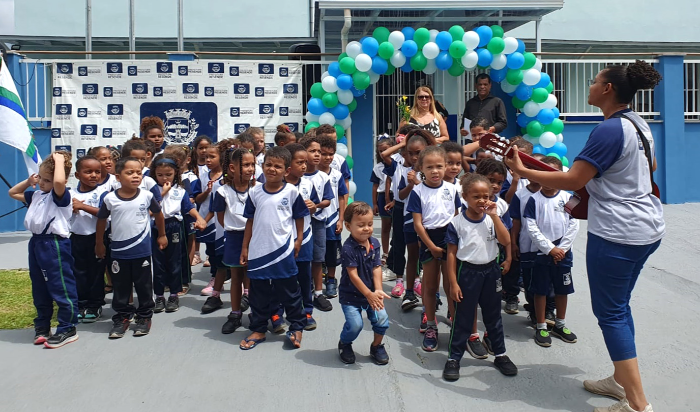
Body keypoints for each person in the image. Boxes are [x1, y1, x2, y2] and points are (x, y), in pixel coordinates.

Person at [505, 60, 664, 412]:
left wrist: (521, 169)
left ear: (607, 89)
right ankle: (621, 379)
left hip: (619, 232)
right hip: (648, 226)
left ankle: (636, 404)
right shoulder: (639, 124)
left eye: (594, 81)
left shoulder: (607, 130)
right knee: (619, 307)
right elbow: (647, 168)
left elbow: (575, 179)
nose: (589, 86)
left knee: (610, 313)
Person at [443, 174, 518, 381]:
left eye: (486, 196)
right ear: (465, 196)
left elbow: (505, 240)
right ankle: (454, 358)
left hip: (491, 272)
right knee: (463, 318)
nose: (482, 201)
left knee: (493, 316)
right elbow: (450, 254)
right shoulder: (457, 222)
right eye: (476, 196)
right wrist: (453, 283)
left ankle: (500, 354)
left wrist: (494, 216)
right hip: (467, 273)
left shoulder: (494, 219)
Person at [239, 146, 309, 350]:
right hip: (259, 251)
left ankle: (296, 326)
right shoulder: (254, 192)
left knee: (289, 291)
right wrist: (245, 247)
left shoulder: (291, 192)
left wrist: (298, 241)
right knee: (258, 293)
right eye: (268, 165)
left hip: (282, 252)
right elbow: (250, 222)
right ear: (262, 166)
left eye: (278, 166)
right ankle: (259, 329)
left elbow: (299, 218)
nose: (272, 169)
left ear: (286, 171)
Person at [9, 151, 79, 349]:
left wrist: (58, 162)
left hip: (54, 244)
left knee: (60, 285)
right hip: (37, 243)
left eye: (47, 180)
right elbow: (13, 193)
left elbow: (58, 184)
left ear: (61, 179)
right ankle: (42, 325)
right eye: (40, 178)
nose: (42, 183)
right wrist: (28, 180)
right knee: (39, 286)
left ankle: (67, 327)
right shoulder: (37, 195)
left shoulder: (61, 196)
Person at [96, 156, 167, 339]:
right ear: (118, 177)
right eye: (130, 173)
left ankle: (144, 317)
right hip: (119, 253)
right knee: (121, 287)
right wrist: (99, 243)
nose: (136, 176)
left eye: (138, 172)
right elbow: (101, 220)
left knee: (143, 286)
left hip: (141, 251)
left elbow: (159, 215)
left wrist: (162, 234)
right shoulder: (109, 198)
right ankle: (122, 317)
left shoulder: (147, 195)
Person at [407, 146, 462, 352]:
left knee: (451, 286)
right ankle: (431, 325)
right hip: (429, 240)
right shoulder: (417, 192)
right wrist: (430, 246)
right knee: (430, 287)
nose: (435, 171)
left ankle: (456, 325)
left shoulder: (452, 189)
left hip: (451, 239)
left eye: (439, 166)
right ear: (421, 168)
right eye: (429, 167)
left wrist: (454, 243)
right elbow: (418, 224)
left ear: (446, 166)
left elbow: (457, 216)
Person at [523, 156, 580, 347]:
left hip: (563, 254)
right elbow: (531, 228)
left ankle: (560, 324)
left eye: (552, 175)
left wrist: (562, 249)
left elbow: (574, 224)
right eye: (543, 174)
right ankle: (541, 325)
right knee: (541, 291)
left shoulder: (568, 198)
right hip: (542, 254)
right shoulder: (534, 200)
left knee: (562, 290)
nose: (547, 179)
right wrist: (549, 248)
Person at [151, 155, 206, 313]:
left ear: (175, 173)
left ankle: (174, 295)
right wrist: (162, 193)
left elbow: (189, 207)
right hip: (156, 226)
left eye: (168, 174)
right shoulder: (150, 190)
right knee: (158, 263)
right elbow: (149, 209)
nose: (164, 178)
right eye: (160, 175)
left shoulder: (180, 191)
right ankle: (159, 296)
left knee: (174, 261)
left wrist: (199, 218)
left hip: (174, 226)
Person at [337, 201, 391, 365]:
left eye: (369, 224)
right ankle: (345, 343)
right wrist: (368, 294)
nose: (366, 228)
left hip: (372, 294)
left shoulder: (374, 243)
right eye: (361, 225)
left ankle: (376, 346)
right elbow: (353, 275)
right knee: (355, 325)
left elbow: (376, 268)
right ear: (348, 226)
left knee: (382, 319)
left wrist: (378, 290)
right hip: (351, 295)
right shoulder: (348, 249)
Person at [211, 144, 258, 334]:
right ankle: (236, 313)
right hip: (234, 237)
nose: (251, 169)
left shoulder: (258, 189)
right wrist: (236, 228)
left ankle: (257, 313)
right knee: (237, 276)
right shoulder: (223, 191)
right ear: (232, 168)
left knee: (255, 277)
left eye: (252, 164)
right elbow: (221, 217)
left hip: (256, 238)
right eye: (246, 165)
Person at [507, 153, 555, 325]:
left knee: (550, 280)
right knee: (529, 279)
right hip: (528, 245)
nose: (535, 173)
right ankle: (535, 311)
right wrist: (514, 243)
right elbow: (516, 221)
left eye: (540, 169)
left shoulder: (555, 194)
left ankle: (549, 311)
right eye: (531, 169)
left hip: (550, 247)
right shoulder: (521, 195)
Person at [283, 143, 321, 330]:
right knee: (283, 276)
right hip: (281, 239)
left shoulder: (308, 183)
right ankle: (280, 310)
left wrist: (314, 207)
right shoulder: (278, 185)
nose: (305, 166)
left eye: (305, 162)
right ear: (288, 164)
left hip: (304, 237)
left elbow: (314, 205)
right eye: (300, 162)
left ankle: (307, 311)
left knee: (305, 276)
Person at [69, 155, 109, 323]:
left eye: (97, 172)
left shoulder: (103, 192)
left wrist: (82, 206)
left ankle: (95, 304)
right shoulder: (70, 193)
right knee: (78, 272)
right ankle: (80, 304)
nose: (94, 175)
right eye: (88, 172)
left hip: (97, 238)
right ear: (77, 175)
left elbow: (104, 213)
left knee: (95, 273)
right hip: (76, 238)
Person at [199, 140, 236, 310]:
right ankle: (215, 295)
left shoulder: (254, 188)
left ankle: (246, 293)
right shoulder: (220, 189)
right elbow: (214, 210)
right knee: (221, 264)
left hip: (244, 234)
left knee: (241, 267)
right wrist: (204, 221)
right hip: (224, 233)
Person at [299, 134, 334, 312]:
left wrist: (316, 205)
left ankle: (318, 293)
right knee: (300, 259)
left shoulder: (323, 177)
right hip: (298, 225)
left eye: (319, 151)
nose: (317, 155)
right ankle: (300, 292)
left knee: (318, 258)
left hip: (318, 222)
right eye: (312, 151)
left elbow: (328, 199)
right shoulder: (296, 176)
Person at [318, 133, 349, 301]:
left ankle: (331, 279)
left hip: (332, 219)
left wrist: (341, 219)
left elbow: (342, 197)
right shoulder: (310, 174)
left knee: (331, 251)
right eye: (323, 153)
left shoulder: (337, 175)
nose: (327, 157)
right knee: (315, 252)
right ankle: (312, 282)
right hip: (315, 220)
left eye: (331, 154)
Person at [196, 143, 225, 296]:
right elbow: (197, 199)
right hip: (206, 219)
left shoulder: (226, 178)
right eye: (206, 156)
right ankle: (214, 278)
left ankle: (237, 281)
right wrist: (207, 190)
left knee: (224, 252)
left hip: (221, 222)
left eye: (212, 156)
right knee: (211, 251)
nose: (208, 160)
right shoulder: (202, 177)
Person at [370, 135, 394, 270]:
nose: (383, 153)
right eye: (380, 150)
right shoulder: (378, 167)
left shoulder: (399, 164)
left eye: (386, 149)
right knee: (385, 226)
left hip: (395, 196)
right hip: (381, 197)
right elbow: (375, 186)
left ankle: (395, 252)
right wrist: (374, 204)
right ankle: (386, 252)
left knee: (396, 227)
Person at [460, 73, 508, 140]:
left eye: (485, 84)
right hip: (472, 140)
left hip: (490, 140)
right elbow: (464, 122)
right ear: (476, 86)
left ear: (490, 85)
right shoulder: (470, 103)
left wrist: (492, 128)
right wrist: (463, 130)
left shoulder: (497, 102)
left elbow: (503, 122)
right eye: (480, 84)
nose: (482, 87)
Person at [189, 135, 213, 266]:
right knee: (196, 227)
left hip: (208, 203)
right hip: (195, 201)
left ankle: (210, 256)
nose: (204, 151)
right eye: (201, 148)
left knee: (211, 229)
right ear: (195, 149)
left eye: (206, 147)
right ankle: (196, 254)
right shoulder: (193, 166)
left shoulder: (212, 166)